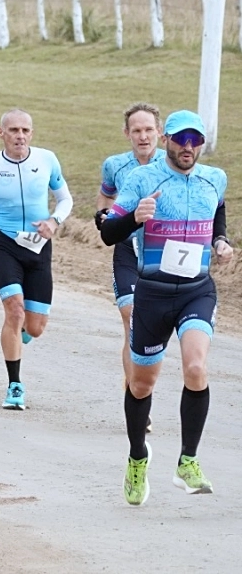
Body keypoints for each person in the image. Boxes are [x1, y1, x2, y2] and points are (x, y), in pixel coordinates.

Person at [99, 110, 231, 506]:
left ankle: (187, 461)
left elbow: (218, 211)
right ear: (167, 139)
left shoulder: (215, 178)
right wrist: (133, 218)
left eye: (196, 140)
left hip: (196, 291)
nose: (188, 147)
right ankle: (137, 456)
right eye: (180, 139)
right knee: (142, 384)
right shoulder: (142, 179)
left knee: (195, 367)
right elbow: (109, 231)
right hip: (152, 293)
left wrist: (220, 241)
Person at [0, 109, 73, 410]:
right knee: (14, 310)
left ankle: (23, 331)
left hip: (39, 247)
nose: (19, 136)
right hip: (6, 244)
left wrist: (54, 221)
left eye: (25, 130)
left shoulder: (47, 159)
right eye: (13, 130)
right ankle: (14, 384)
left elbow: (65, 199)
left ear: (31, 133)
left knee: (34, 328)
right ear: (1, 133)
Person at [96, 103, 162, 391]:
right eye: (137, 130)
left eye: (149, 129)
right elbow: (106, 195)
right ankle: (135, 391)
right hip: (127, 250)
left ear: (159, 132)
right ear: (127, 133)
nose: (143, 136)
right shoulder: (115, 165)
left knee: (152, 327)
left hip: (162, 255)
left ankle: (142, 383)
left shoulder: (171, 165)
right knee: (131, 318)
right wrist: (102, 216)